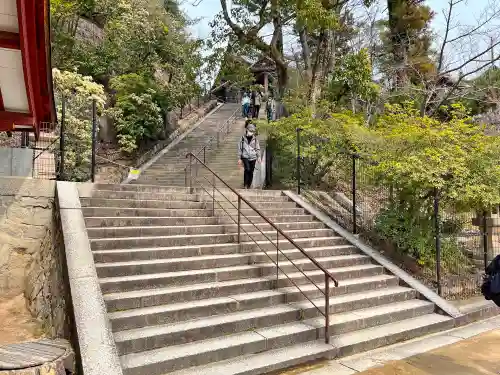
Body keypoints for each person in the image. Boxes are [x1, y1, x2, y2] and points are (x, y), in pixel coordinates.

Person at [237, 123, 261, 189]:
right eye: (250, 131)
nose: (251, 132)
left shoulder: (255, 139)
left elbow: (257, 148)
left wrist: (259, 157)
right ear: (247, 130)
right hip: (245, 156)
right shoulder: (242, 139)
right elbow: (239, 148)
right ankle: (245, 185)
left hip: (253, 157)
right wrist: (239, 158)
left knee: (251, 171)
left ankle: (249, 185)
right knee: (247, 169)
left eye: (252, 131)